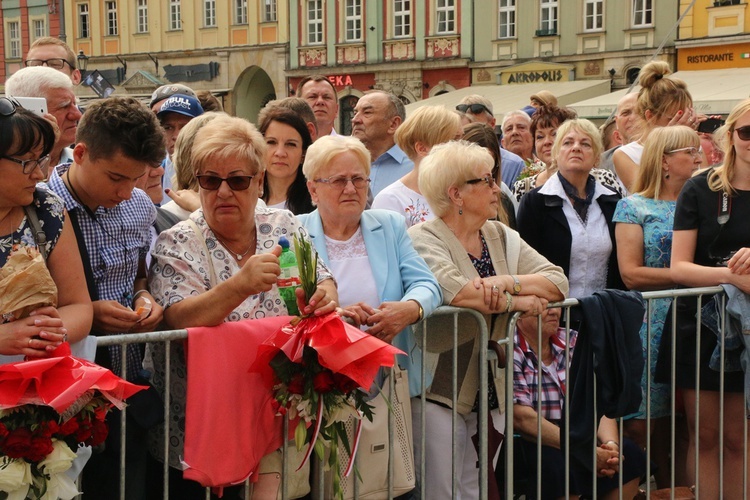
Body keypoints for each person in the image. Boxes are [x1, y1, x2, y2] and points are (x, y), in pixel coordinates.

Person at [147, 114, 337, 498]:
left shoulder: (283, 225)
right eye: (209, 181)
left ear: (260, 181)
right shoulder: (177, 241)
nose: (223, 192)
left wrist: (324, 296)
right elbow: (178, 316)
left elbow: (322, 279)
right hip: (202, 431)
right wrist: (239, 286)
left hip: (276, 422)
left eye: (237, 180)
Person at [408, 140, 568, 498]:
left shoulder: (498, 234)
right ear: (456, 194)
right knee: (443, 491)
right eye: (486, 180)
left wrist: (504, 282)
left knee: (477, 489)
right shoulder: (423, 238)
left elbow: (557, 280)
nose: (498, 188)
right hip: (439, 386)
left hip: (490, 386)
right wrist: (523, 299)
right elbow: (461, 293)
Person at [45, 96, 166, 500]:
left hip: (125, 389)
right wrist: (87, 314)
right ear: (79, 153)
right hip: (61, 393)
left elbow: (138, 274)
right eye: (116, 177)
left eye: (137, 179)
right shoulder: (40, 206)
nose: (126, 191)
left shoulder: (138, 209)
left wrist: (144, 297)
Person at [298, 134, 442, 398]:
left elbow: (427, 284)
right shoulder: (297, 233)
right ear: (313, 189)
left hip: (389, 381)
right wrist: (333, 318)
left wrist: (410, 309)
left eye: (359, 179)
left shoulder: (389, 225)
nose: (351, 189)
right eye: (340, 180)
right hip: (322, 383)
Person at [667, 98, 750, 499]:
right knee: (704, 436)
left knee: (738, 438)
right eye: (747, 132)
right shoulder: (701, 188)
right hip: (698, 323)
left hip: (746, 328)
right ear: (731, 135)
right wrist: (733, 278)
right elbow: (679, 267)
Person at [612, 125, 701, 488]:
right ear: (665, 160)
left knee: (690, 425)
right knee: (645, 426)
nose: (700, 156)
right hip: (651, 324)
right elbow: (630, 274)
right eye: (689, 151)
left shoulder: (701, 203)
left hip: (696, 322)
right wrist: (690, 275)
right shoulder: (634, 206)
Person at [512, 307, 645, 500]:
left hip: (579, 434)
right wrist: (586, 452)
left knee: (627, 455)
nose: (554, 311)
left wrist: (610, 446)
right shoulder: (512, 347)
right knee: (558, 465)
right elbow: (523, 419)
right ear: (520, 314)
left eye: (556, 304)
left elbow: (597, 400)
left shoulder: (573, 339)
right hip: (536, 439)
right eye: (544, 306)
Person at [0, 98, 91, 356]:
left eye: (40, 160)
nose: (39, 175)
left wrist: (44, 333)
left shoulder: (46, 209)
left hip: (33, 388)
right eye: (26, 162)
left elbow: (78, 306)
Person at [517, 119, 625, 299]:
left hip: (602, 315)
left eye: (585, 144)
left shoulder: (611, 201)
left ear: (597, 157)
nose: (576, 148)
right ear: (556, 155)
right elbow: (524, 265)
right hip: (553, 314)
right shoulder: (535, 202)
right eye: (567, 143)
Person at [613, 61, 701, 194]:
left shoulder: (694, 148)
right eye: (673, 119)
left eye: (685, 117)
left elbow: (702, 190)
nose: (680, 125)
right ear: (650, 116)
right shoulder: (625, 154)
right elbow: (647, 192)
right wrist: (670, 143)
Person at [371, 105, 462, 226]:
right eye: (453, 141)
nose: (463, 147)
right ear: (422, 148)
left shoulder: (465, 190)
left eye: (462, 139)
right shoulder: (391, 200)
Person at [513, 106, 625, 202]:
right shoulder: (523, 187)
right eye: (540, 137)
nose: (547, 142)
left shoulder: (603, 179)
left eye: (554, 134)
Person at [5, 66, 83, 166]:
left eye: (74, 104)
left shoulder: (84, 165)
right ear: (30, 111)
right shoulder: (7, 171)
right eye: (64, 106)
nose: (77, 115)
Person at [160, 112, 225, 220]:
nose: (175, 135)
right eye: (168, 127)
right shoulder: (168, 216)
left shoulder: (166, 216)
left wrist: (199, 209)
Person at [351, 90, 414, 196]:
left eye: (367, 113)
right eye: (355, 113)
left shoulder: (417, 167)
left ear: (393, 124)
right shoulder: (344, 162)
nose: (355, 120)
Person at [456, 94, 526, 187]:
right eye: (466, 129)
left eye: (477, 128)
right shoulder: (447, 166)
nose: (471, 135)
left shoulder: (514, 164)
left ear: (492, 123)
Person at [258, 107, 314, 214]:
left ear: (303, 153)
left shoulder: (316, 204)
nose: (280, 153)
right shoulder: (248, 198)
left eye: (290, 144)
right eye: (271, 142)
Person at [461, 122, 516, 227]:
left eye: (490, 162)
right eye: (478, 162)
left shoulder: (503, 202)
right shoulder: (444, 204)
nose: (486, 169)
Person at [157, 93, 205, 204]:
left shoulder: (216, 173)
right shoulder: (153, 174)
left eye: (185, 127)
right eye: (168, 127)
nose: (176, 136)